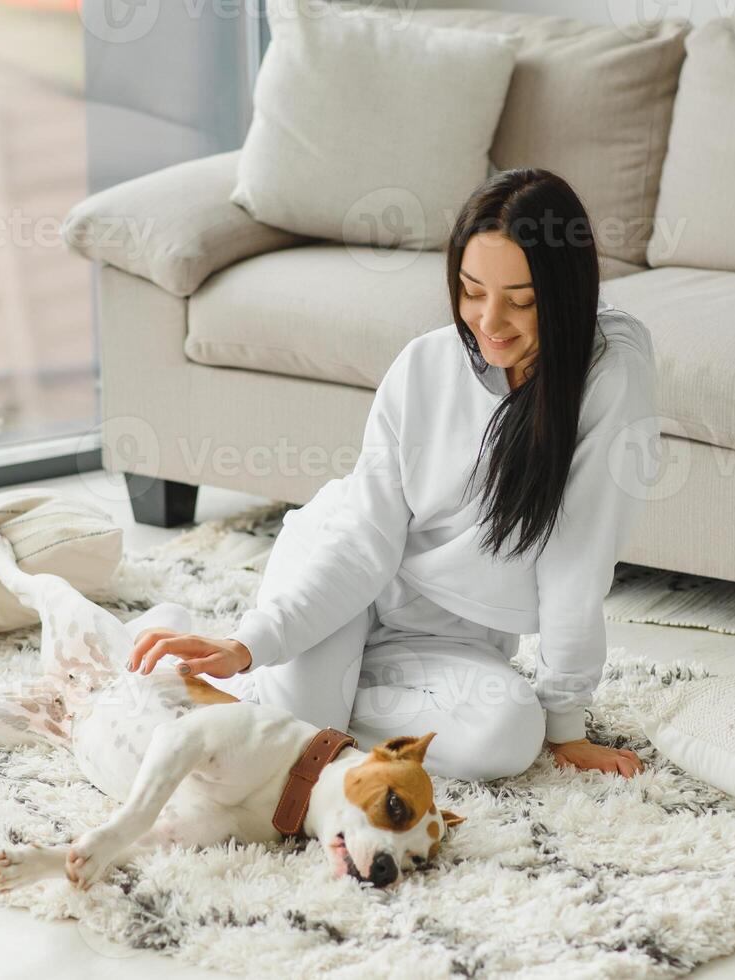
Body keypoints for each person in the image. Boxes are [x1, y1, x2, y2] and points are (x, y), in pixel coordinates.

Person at [128, 169, 659, 781]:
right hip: (345, 585)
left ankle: (302, 693)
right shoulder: (425, 365)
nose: (490, 321)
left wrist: (565, 723)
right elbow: (361, 543)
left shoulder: (609, 373)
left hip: (443, 645)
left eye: (522, 301)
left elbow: (578, 556)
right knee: (299, 752)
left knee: (508, 739)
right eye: (470, 290)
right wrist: (253, 644)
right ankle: (243, 671)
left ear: (565, 296)